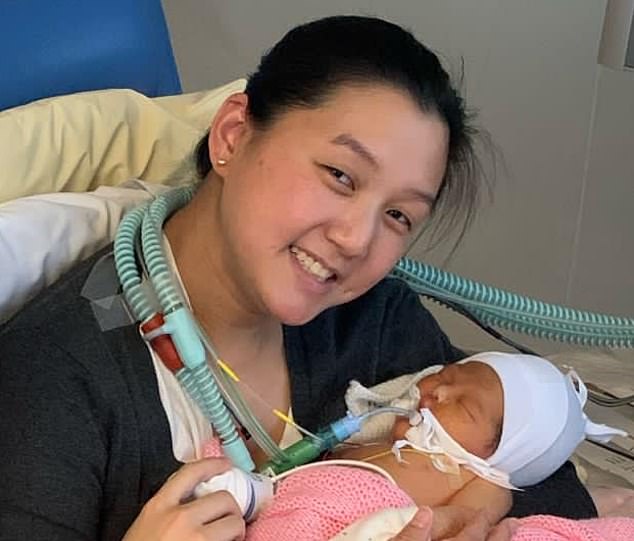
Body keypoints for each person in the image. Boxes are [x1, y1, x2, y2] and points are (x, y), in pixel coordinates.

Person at [0, 15, 598, 541]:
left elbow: (545, 464)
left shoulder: (372, 321)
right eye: (340, 174)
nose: (356, 240)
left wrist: (481, 501)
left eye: (398, 216)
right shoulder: (57, 380)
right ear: (233, 135)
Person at [195, 352, 625, 540]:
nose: (436, 392)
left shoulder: (484, 481)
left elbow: (470, 521)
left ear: (497, 457)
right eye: (446, 376)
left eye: (466, 407)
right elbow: (291, 474)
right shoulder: (371, 438)